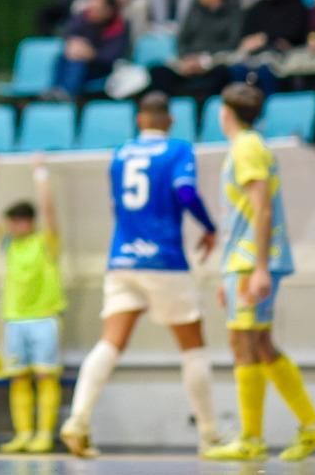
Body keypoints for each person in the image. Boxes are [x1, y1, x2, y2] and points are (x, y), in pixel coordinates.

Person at [62, 93, 219, 459]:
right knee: (192, 346)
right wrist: (209, 227)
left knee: (110, 343)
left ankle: (78, 419)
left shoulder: (119, 155)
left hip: (122, 258)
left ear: (139, 120)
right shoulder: (179, 150)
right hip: (163, 258)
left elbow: (118, 206)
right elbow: (185, 190)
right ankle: (210, 434)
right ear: (169, 120)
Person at [204, 84, 315, 462]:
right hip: (241, 261)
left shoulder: (246, 148)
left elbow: (262, 210)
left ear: (226, 112)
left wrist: (258, 267)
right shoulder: (248, 146)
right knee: (257, 344)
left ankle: (253, 437)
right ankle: (308, 426)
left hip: (250, 261)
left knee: (244, 344)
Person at [0, 155, 64, 455]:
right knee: (18, 378)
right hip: (15, 319)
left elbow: (50, 212)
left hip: (43, 318)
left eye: (17, 221)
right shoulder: (8, 243)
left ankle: (43, 434)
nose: (12, 226)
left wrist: (40, 173)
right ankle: (23, 433)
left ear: (28, 221)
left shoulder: (46, 242)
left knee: (45, 375)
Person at [153, 0, 243, 100]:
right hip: (188, 63)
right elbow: (181, 41)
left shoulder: (234, 11)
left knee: (222, 74)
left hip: (214, 63)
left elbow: (232, 44)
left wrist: (203, 59)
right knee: (158, 72)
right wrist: (189, 58)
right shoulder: (195, 7)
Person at [55, 0, 128, 99]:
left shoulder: (118, 28)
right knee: (64, 56)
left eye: (96, 10)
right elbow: (68, 33)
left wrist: (91, 54)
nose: (91, 13)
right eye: (90, 8)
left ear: (108, 11)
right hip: (79, 63)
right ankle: (57, 91)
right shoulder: (83, 18)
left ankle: (66, 95)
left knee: (78, 62)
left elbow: (111, 57)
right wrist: (73, 44)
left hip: (102, 69)